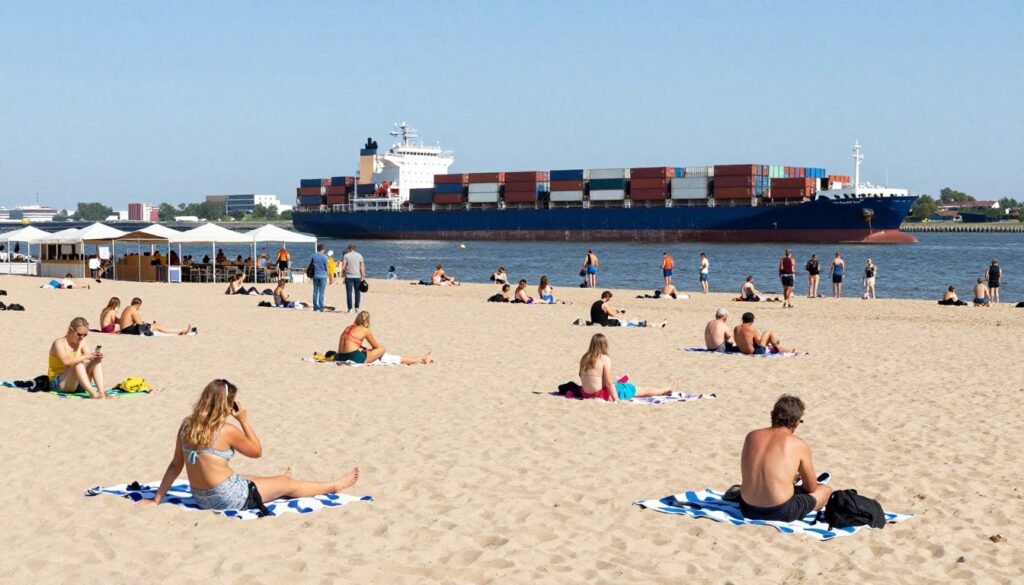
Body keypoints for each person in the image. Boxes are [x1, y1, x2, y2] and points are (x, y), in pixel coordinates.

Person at [141, 379, 360, 512]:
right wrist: (243, 419)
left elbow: (175, 465)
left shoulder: (187, 426)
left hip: (200, 497)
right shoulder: (226, 430)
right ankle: (333, 485)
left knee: (249, 477)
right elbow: (257, 451)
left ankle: (276, 482)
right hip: (227, 499)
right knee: (287, 484)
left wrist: (156, 499)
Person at [738, 395, 831, 522]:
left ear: (772, 415)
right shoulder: (798, 444)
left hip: (746, 507)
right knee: (825, 490)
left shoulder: (751, 436)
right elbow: (811, 488)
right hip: (780, 511)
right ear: (797, 422)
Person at [577, 333, 675, 401]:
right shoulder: (604, 358)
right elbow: (608, 383)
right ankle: (665, 389)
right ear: (604, 345)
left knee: (616, 382)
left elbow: (581, 375)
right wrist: (616, 399)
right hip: (601, 395)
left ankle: (621, 381)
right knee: (639, 389)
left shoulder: (584, 357)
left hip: (585, 394)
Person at [336, 311, 433, 365]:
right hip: (355, 357)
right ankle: (422, 360)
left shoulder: (348, 327)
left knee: (384, 356)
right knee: (382, 350)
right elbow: (376, 347)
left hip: (341, 356)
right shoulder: (365, 330)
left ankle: (422, 359)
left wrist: (362, 349)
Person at [48, 317, 106, 399]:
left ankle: (101, 392)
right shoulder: (59, 343)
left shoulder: (82, 343)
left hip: (78, 383)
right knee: (78, 364)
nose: (82, 338)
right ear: (71, 330)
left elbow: (88, 359)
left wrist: (96, 356)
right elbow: (66, 361)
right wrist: (86, 356)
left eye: (85, 335)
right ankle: (93, 394)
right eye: (79, 334)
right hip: (59, 383)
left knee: (96, 361)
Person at [587, 291, 663, 327]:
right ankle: (650, 324)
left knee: (626, 321)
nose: (609, 300)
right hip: (603, 323)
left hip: (595, 322)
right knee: (625, 322)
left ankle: (647, 324)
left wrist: (617, 311)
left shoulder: (596, 303)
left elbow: (606, 312)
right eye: (609, 298)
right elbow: (612, 314)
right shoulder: (605, 304)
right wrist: (619, 315)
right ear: (607, 297)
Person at [119, 297, 192, 335]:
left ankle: (180, 331)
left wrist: (148, 323)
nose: (139, 308)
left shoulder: (127, 308)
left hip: (125, 330)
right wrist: (148, 324)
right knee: (158, 326)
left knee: (154, 325)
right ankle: (181, 330)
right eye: (139, 306)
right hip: (128, 330)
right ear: (137, 304)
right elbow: (139, 323)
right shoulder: (133, 309)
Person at [340, 244, 366, 313]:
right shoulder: (359, 255)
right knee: (357, 292)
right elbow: (361, 266)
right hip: (357, 276)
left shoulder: (346, 256)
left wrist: (342, 273)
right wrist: (362, 274)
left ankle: (350, 308)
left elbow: (343, 266)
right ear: (355, 249)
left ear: (349, 249)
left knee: (349, 293)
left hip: (349, 276)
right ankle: (357, 307)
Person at [310, 244, 329, 312]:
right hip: (323, 275)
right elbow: (326, 267)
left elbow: (311, 265)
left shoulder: (313, 256)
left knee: (315, 291)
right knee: (321, 292)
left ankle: (315, 306)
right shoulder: (325, 257)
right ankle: (321, 307)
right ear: (323, 249)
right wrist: (329, 275)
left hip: (315, 275)